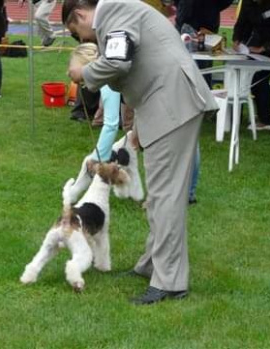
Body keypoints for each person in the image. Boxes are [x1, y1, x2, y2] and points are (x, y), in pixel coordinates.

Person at [63, 0, 218, 305]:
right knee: (159, 196)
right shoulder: (120, 14)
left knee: (165, 197)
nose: (84, 40)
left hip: (172, 105)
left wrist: (82, 73)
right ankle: (151, 265)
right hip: (164, 105)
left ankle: (170, 282)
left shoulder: (115, 13)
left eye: (76, 32)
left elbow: (119, 63)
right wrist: (139, 127)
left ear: (80, 14)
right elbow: (139, 67)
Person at [232, 0, 270, 131]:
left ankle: (264, 120)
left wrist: (263, 48)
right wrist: (237, 40)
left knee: (258, 78)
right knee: (239, 73)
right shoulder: (248, 3)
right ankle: (236, 116)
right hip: (252, 48)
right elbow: (241, 23)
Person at [174, 0, 234, 87]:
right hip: (184, 22)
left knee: (205, 66)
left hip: (207, 26)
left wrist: (213, 8)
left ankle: (205, 96)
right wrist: (181, 6)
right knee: (181, 65)